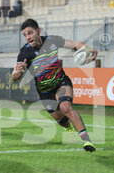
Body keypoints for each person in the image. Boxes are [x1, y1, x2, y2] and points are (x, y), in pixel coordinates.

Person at [12, 19, 97, 152]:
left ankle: (86, 141)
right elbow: (14, 78)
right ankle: (67, 125)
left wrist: (90, 49)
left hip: (61, 82)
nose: (28, 37)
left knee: (66, 107)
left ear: (38, 31)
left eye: (30, 33)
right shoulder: (24, 53)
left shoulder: (52, 41)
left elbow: (75, 45)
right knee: (61, 120)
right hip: (45, 92)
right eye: (25, 35)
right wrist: (18, 72)